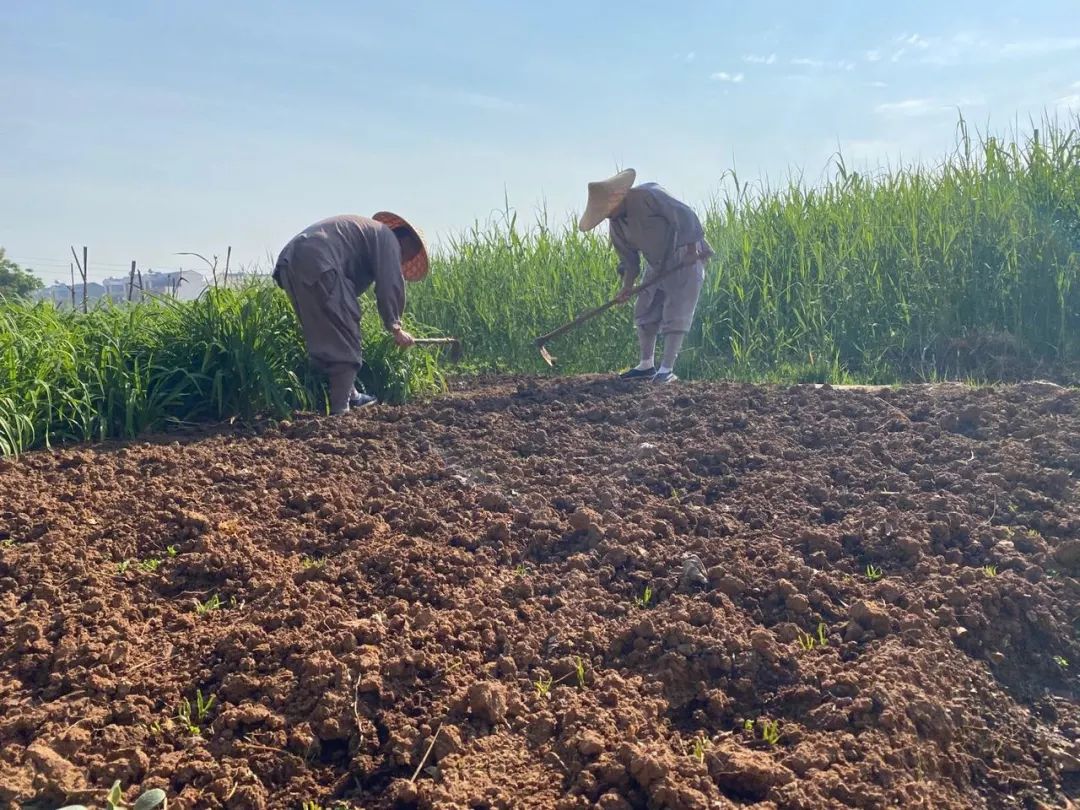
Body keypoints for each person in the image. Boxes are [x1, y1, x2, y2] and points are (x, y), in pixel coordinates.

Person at [272, 213, 427, 414]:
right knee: (345, 334)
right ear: (405, 242)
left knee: (327, 332)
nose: (402, 259)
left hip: (291, 262)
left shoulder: (371, 235)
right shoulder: (388, 239)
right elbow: (390, 284)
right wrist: (395, 327)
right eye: (407, 255)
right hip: (320, 262)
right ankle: (340, 409)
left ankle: (350, 394)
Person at [578, 169, 714, 383]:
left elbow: (685, 215)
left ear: (616, 198)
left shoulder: (649, 195)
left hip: (683, 254)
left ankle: (666, 369)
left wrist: (690, 251)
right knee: (645, 309)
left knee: (676, 310)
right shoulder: (617, 224)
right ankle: (646, 365)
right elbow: (629, 259)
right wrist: (627, 286)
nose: (607, 216)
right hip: (656, 263)